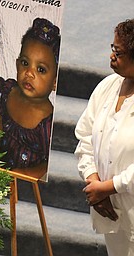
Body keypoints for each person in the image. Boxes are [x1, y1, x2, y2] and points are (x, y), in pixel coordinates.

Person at [74, 19, 134, 256]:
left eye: (118, 52)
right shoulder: (107, 86)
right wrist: (94, 183)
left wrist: (108, 187)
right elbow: (85, 138)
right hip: (110, 210)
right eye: (113, 48)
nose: (111, 56)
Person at [0, 17, 61, 169]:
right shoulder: (6, 92)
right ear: (17, 64)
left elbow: (47, 166)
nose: (29, 73)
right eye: (25, 63)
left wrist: (23, 174)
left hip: (26, 186)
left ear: (55, 81)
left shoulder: (47, 124)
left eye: (41, 69)